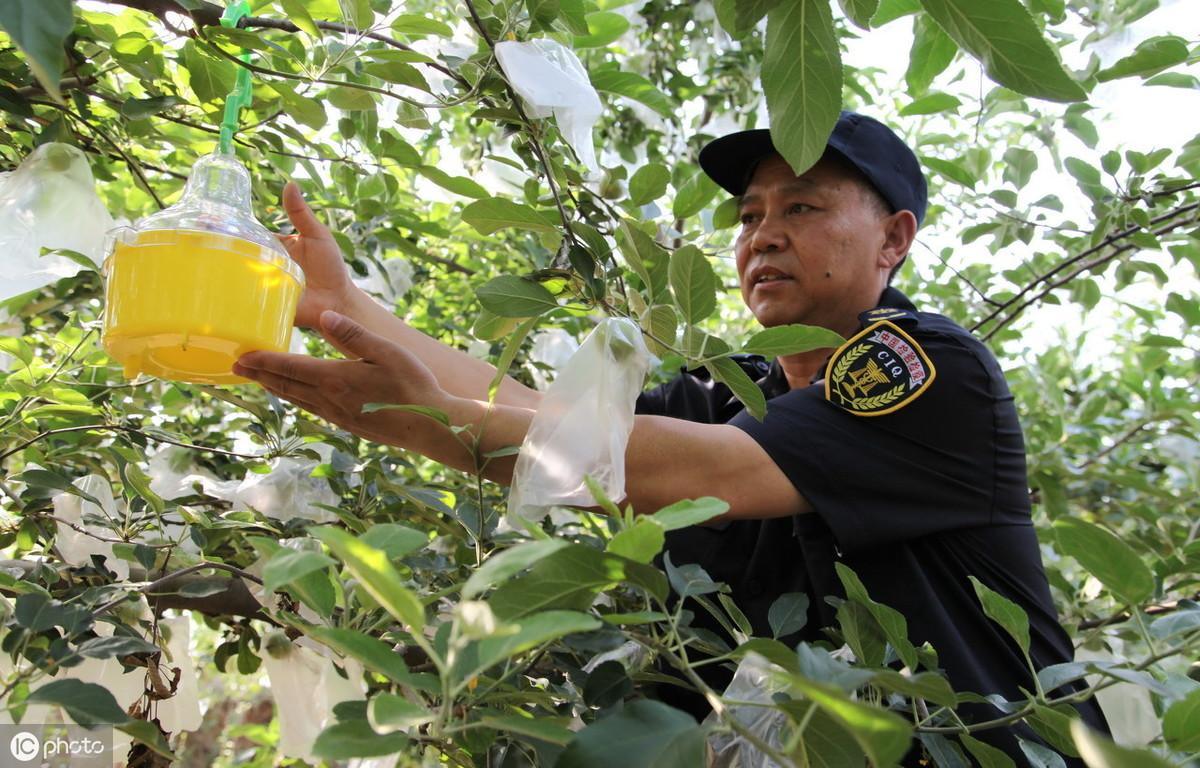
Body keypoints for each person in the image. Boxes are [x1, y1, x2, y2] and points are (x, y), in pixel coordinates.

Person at [232, 110, 1107, 763]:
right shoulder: (739, 391)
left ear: (893, 240)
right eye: (749, 217)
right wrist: (349, 312)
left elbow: (691, 470)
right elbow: (542, 411)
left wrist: (433, 426)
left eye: (801, 207)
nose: (764, 234)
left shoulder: (923, 362)